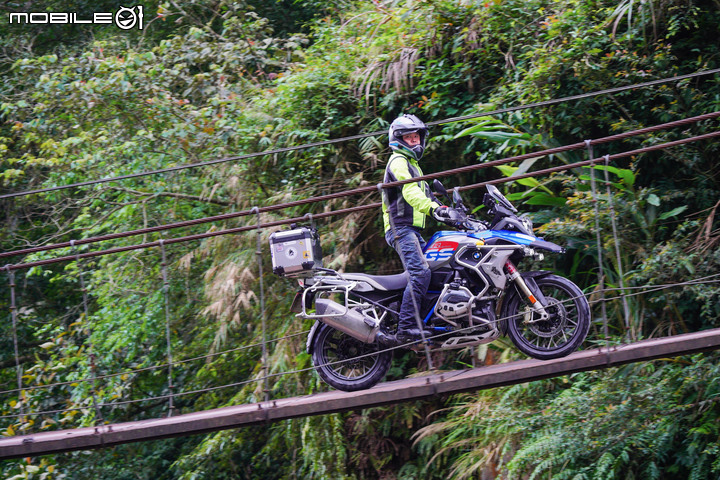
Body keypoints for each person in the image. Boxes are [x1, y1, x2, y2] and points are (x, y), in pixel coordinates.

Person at [377, 114, 456, 346]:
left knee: (435, 269)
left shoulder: (414, 166)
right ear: (398, 139)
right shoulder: (398, 162)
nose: (415, 142)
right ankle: (407, 328)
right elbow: (411, 193)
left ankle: (424, 320)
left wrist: (452, 214)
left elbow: (428, 196)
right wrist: (434, 209)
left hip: (411, 230)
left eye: (416, 137)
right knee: (420, 272)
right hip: (400, 229)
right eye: (409, 138)